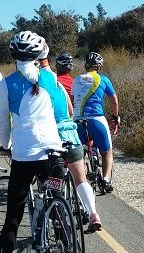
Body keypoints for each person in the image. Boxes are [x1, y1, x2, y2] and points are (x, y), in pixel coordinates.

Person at [0, 31, 65, 253]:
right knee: (57, 207)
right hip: (53, 154)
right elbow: (62, 113)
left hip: (24, 157)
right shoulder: (50, 78)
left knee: (13, 217)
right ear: (40, 55)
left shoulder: (7, 84)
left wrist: (5, 146)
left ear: (14, 56)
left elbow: (3, 121)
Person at [38, 53, 102, 233]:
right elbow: (72, 110)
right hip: (71, 135)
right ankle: (93, 213)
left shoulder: (37, 89)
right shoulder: (60, 86)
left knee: (50, 182)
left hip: (52, 137)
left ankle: (56, 220)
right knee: (80, 179)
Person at [73, 52, 120, 193]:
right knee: (106, 152)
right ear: (99, 66)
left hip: (79, 120)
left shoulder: (77, 79)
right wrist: (115, 116)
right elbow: (114, 100)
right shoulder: (103, 79)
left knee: (77, 154)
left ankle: (79, 182)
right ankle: (105, 180)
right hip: (97, 119)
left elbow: (72, 98)